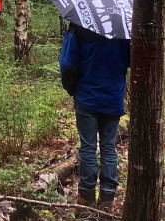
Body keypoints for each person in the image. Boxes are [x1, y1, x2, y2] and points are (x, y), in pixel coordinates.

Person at [59, 23, 131, 213]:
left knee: (88, 148)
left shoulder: (79, 25)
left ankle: (85, 198)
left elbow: (67, 64)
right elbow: (133, 60)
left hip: (87, 97)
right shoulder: (124, 26)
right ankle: (107, 199)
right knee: (108, 148)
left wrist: (72, 89)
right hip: (112, 98)